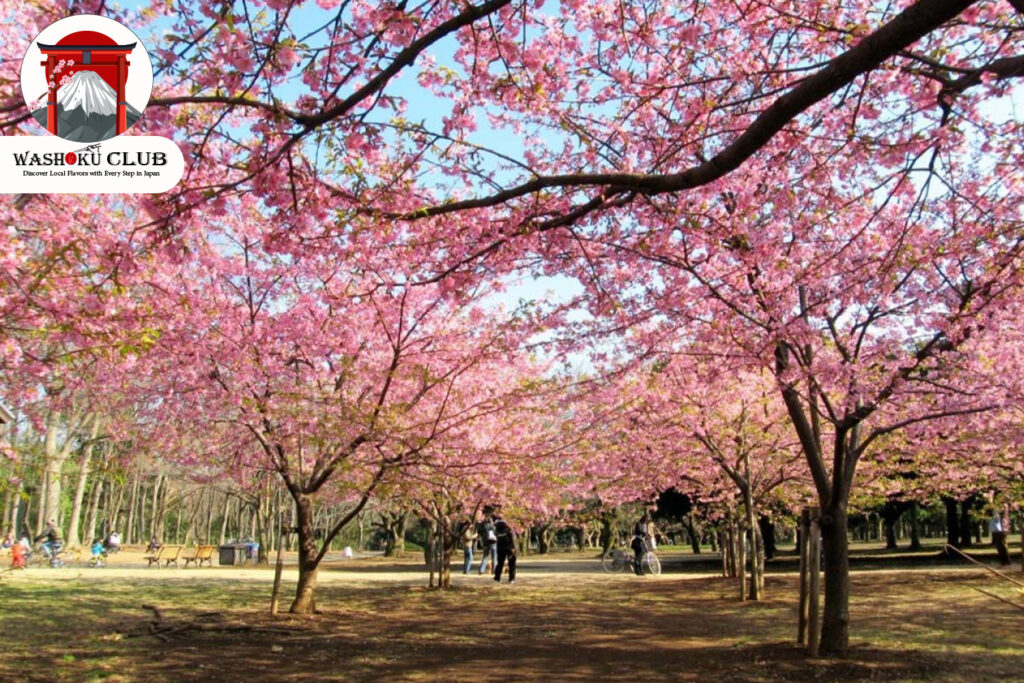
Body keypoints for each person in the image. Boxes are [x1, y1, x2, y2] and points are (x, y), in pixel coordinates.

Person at [492, 512, 517, 583]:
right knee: (512, 564)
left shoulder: (496, 530)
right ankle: (511, 578)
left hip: (500, 548)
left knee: (500, 563)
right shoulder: (508, 529)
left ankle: (497, 578)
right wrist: (513, 548)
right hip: (509, 548)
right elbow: (512, 539)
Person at [631, 511, 654, 576]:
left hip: (641, 542)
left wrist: (647, 536)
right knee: (638, 556)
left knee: (640, 557)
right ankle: (638, 570)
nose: (646, 522)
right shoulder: (638, 524)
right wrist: (646, 534)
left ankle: (640, 570)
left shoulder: (644, 525)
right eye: (646, 520)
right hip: (637, 543)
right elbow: (639, 531)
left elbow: (644, 533)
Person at [477, 511, 497, 575]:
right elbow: (495, 531)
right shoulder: (491, 525)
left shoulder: (482, 525)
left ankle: (481, 570)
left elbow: (479, 533)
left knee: (485, 556)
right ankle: (494, 570)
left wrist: (481, 540)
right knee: (494, 556)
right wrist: (493, 524)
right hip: (493, 542)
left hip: (485, 542)